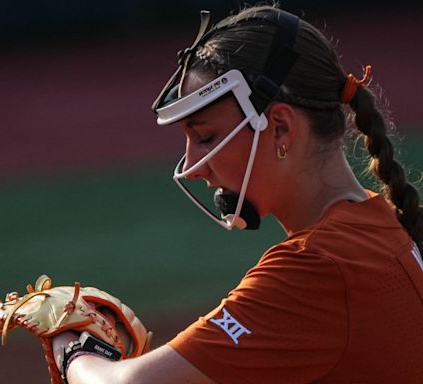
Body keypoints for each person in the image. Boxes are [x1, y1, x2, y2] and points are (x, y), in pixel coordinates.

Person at [52, 4, 423, 383]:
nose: (193, 166)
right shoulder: (381, 223)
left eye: (206, 137)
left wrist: (73, 349)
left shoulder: (318, 268)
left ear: (279, 128)